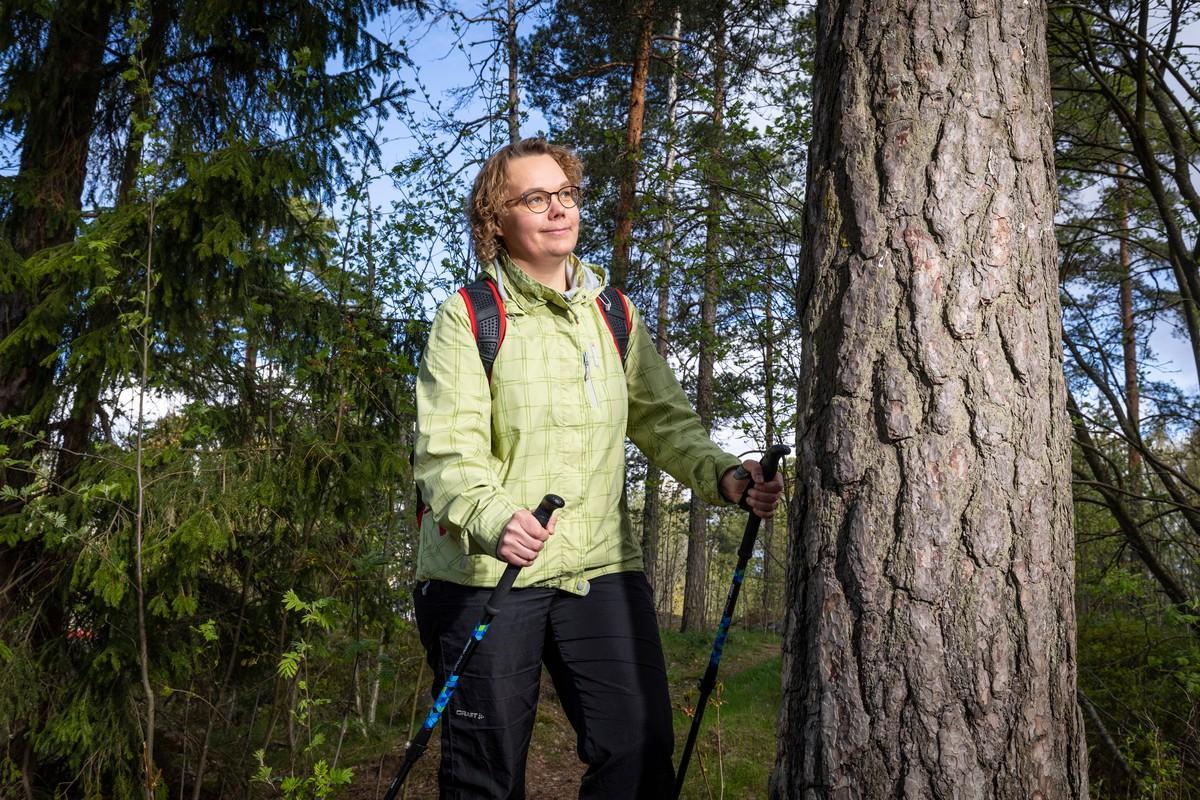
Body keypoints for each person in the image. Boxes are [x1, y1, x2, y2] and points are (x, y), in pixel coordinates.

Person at [412, 137, 783, 799]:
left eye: (566, 194)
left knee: (639, 751)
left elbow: (663, 419)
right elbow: (448, 453)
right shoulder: (469, 316)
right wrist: (495, 518)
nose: (558, 210)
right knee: (484, 776)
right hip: (486, 571)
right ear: (496, 221)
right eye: (534, 198)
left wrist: (726, 475)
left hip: (600, 565)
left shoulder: (613, 315)